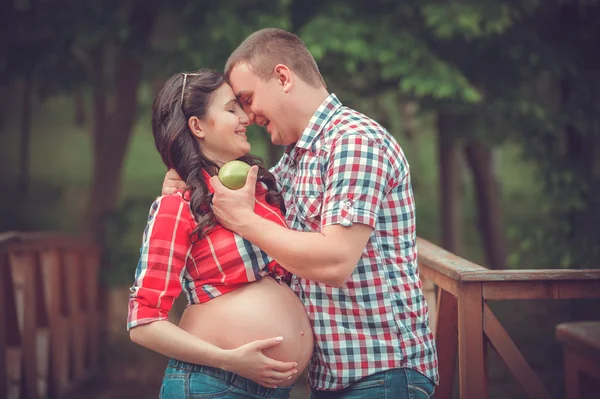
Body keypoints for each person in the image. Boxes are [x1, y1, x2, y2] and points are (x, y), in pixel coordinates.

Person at [163, 28, 439, 398]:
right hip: (333, 378)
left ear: (282, 77)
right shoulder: (293, 163)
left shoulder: (353, 141)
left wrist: (244, 220)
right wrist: (185, 177)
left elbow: (335, 261)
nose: (247, 114)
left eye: (247, 98)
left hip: (380, 372)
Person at [128, 69, 314, 399]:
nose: (246, 117)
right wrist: (228, 360)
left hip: (270, 390)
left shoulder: (261, 193)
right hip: (213, 384)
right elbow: (143, 322)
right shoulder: (178, 205)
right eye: (231, 109)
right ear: (197, 126)